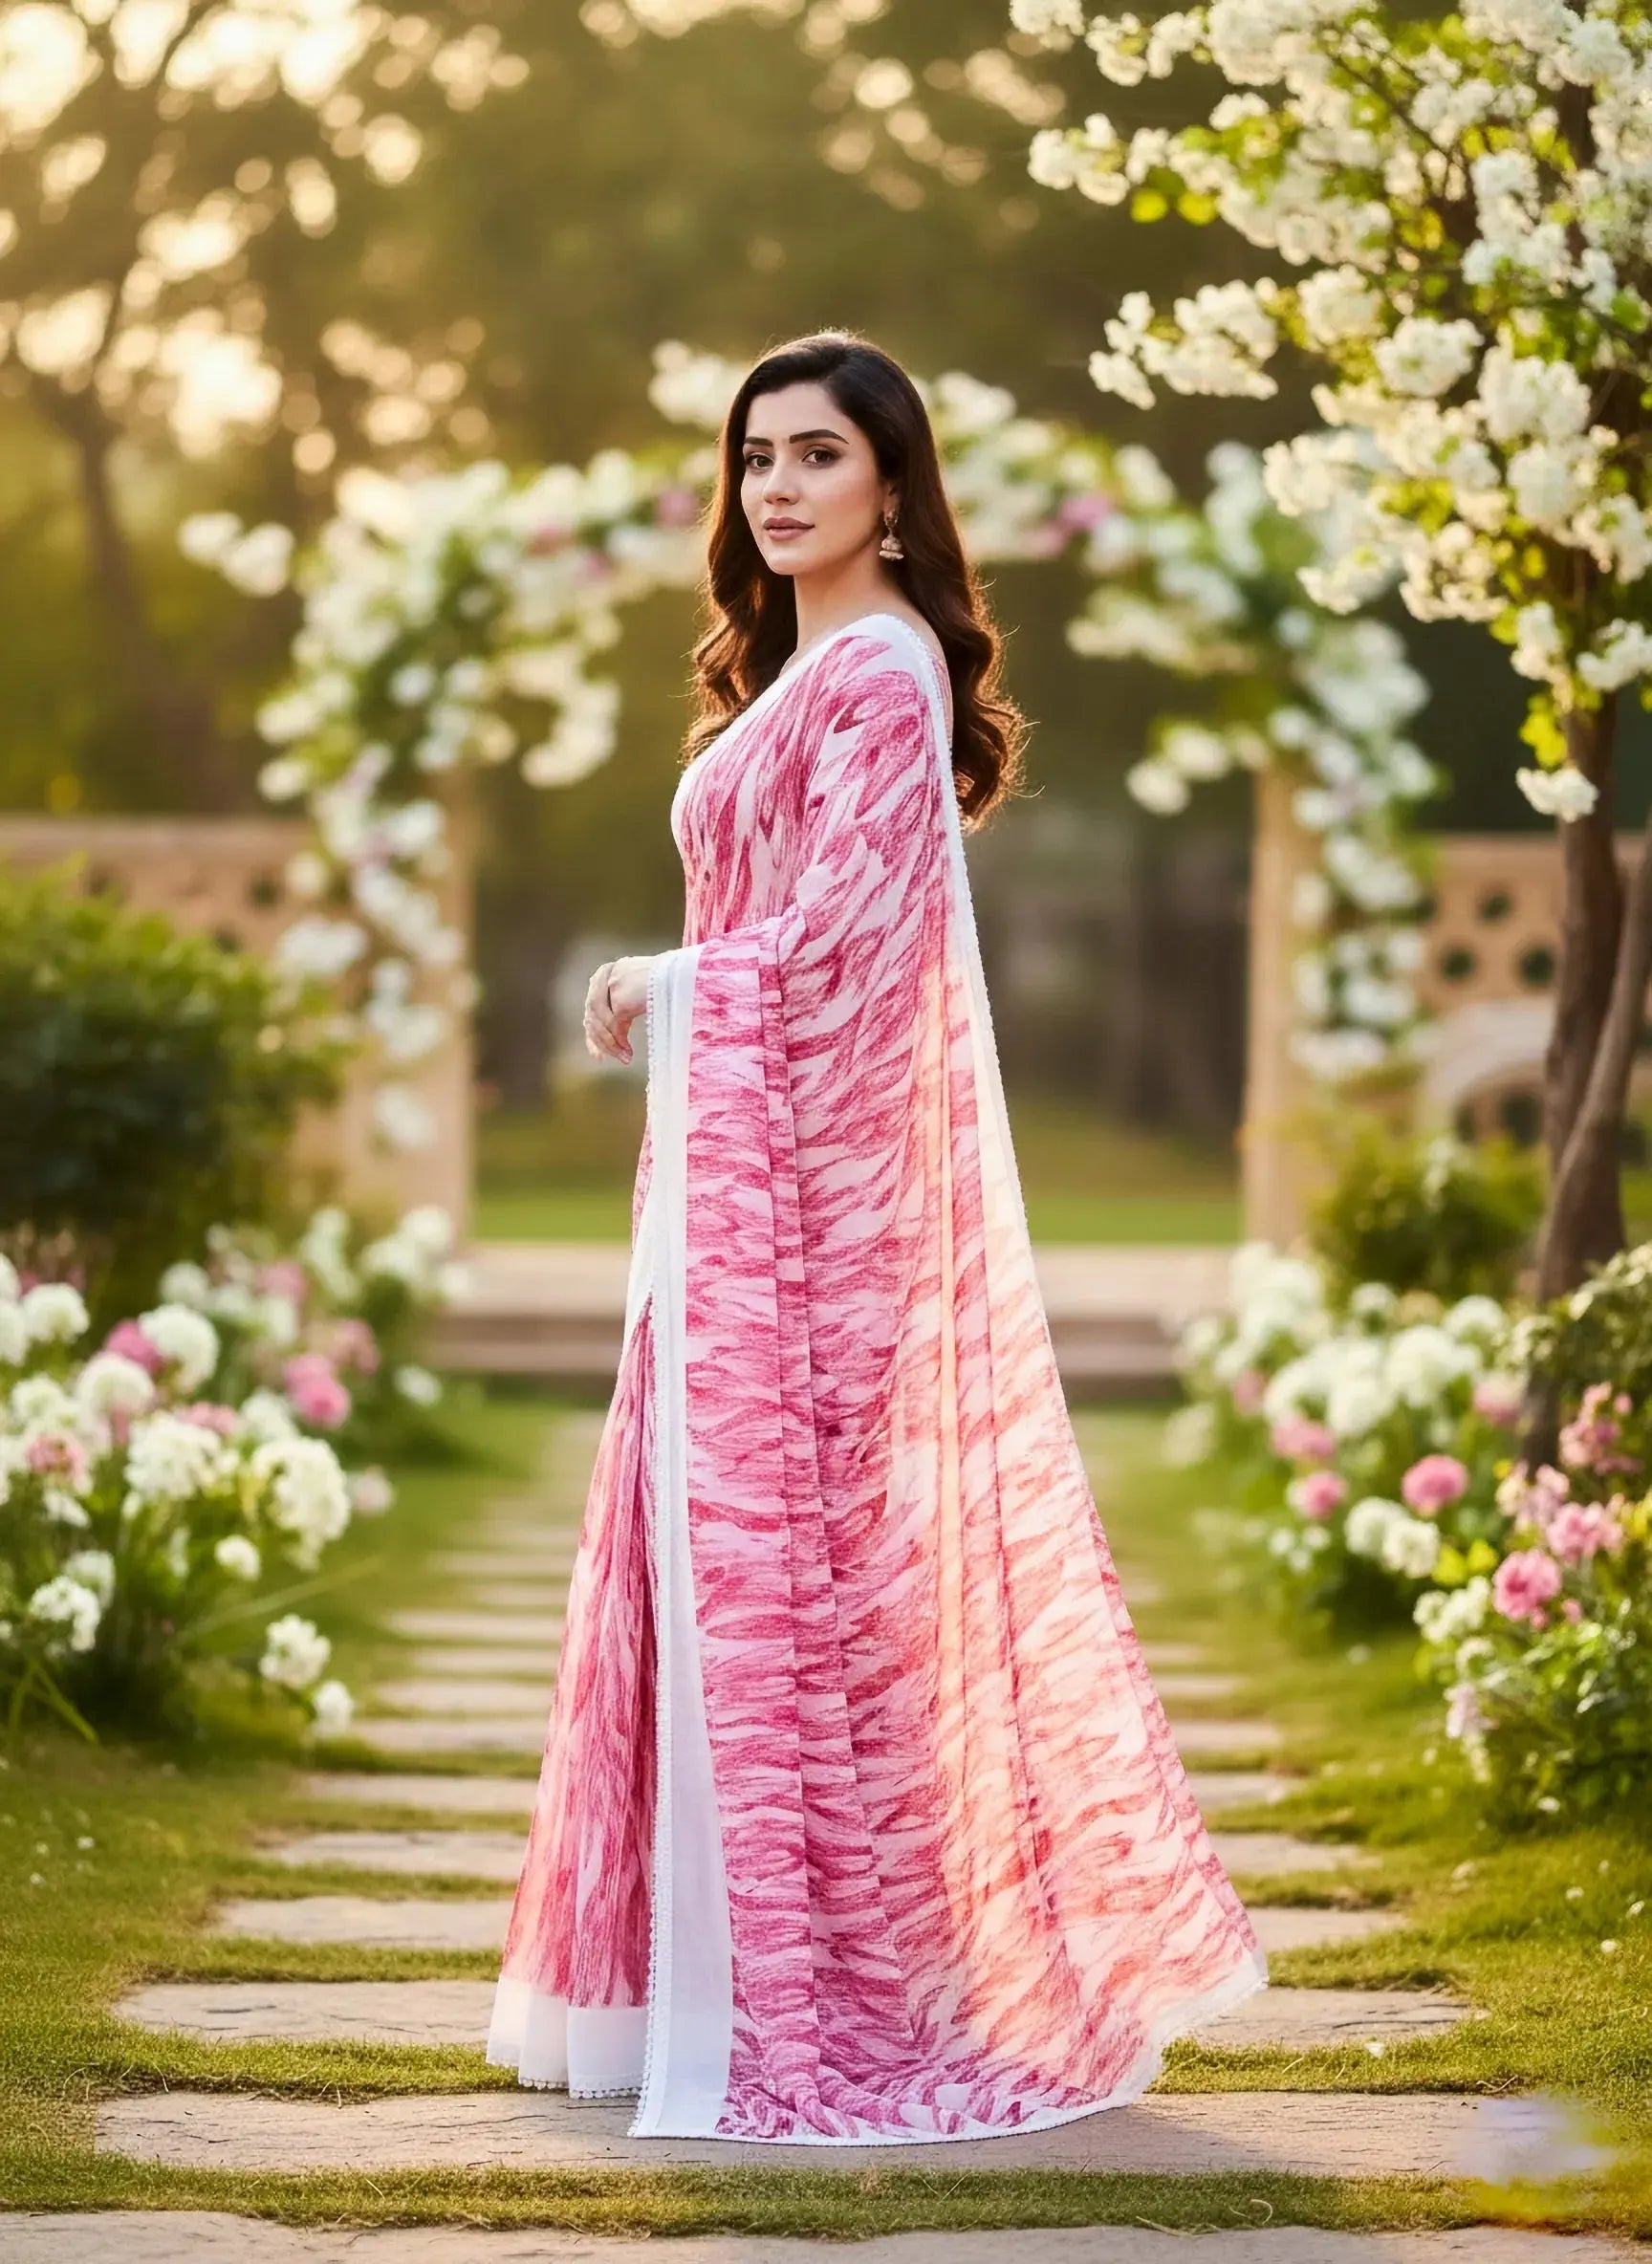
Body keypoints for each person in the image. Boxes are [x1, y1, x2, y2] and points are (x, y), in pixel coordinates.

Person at [488, 330, 1266, 2144]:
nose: (777, 487)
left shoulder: (882, 675)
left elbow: (845, 935)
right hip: (736, 1183)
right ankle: (712, 1982)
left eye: (819, 455)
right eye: (756, 456)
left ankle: (823, 1990)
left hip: (810, 1217)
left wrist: (658, 979)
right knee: (721, 1564)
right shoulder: (810, 666)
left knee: (797, 1581)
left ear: (895, 487)